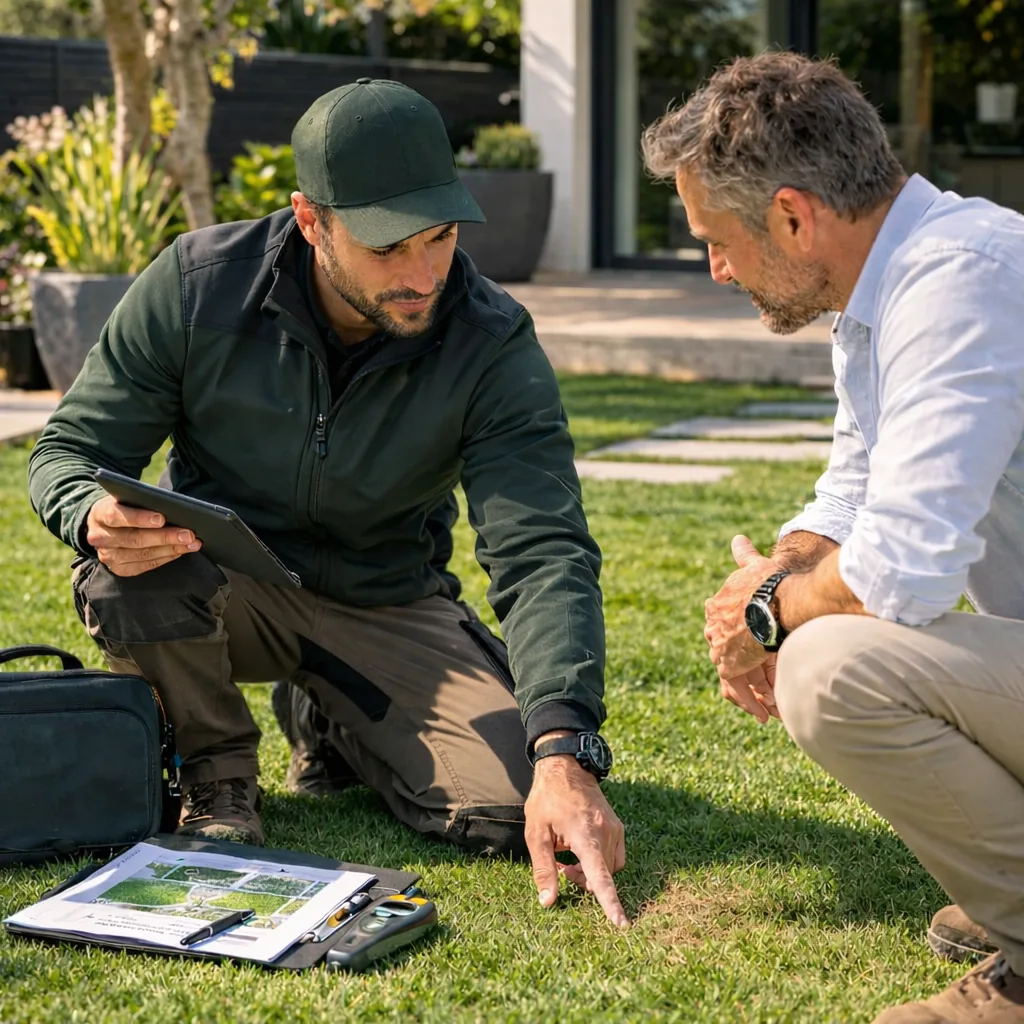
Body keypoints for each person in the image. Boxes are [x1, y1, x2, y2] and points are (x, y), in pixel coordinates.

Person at [29, 79, 628, 928]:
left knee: (501, 807)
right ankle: (218, 774)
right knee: (127, 575)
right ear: (312, 221)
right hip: (219, 584)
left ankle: (330, 718)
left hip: (388, 598)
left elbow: (543, 549)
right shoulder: (197, 287)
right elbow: (68, 452)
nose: (424, 275)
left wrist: (565, 750)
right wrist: (87, 508)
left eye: (443, 237)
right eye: (389, 248)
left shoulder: (492, 340)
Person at [643, 52, 1024, 1022]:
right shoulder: (889, 284)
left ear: (790, 215)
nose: (716, 268)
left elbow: (903, 566)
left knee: (831, 666)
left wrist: (769, 615)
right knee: (819, 627)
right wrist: (772, 578)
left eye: (716, 241)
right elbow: (854, 485)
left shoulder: (959, 280)